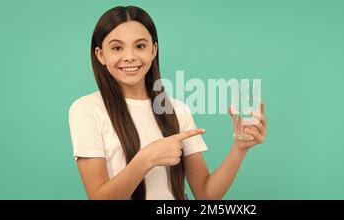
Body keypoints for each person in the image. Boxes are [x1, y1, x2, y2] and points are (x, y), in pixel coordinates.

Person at [68, 6, 267, 200]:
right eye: (117, 48)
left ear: (154, 50)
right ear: (100, 55)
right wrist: (147, 158)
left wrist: (239, 148)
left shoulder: (177, 110)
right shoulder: (86, 110)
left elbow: (206, 194)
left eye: (140, 46)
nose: (129, 57)